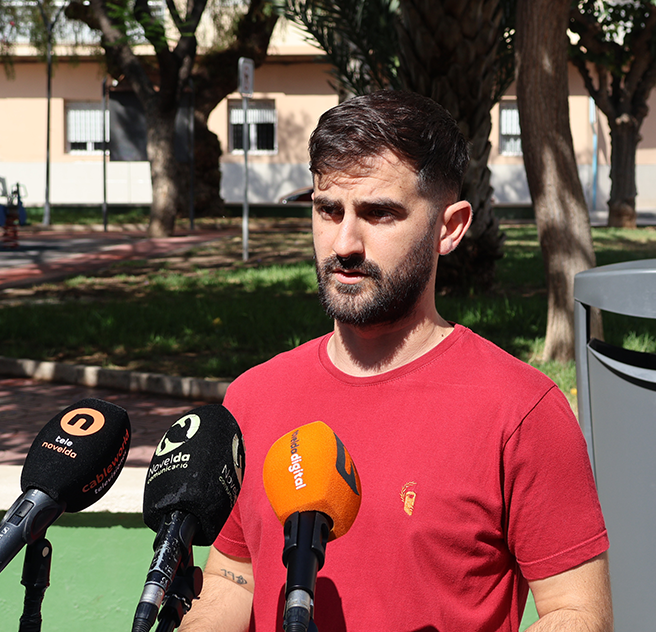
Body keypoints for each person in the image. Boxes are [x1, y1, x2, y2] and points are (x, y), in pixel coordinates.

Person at [180, 90, 611, 632]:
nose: (344, 244)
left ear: (449, 228)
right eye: (328, 210)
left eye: (379, 213)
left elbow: (578, 611)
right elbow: (234, 579)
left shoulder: (522, 410)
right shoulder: (252, 397)